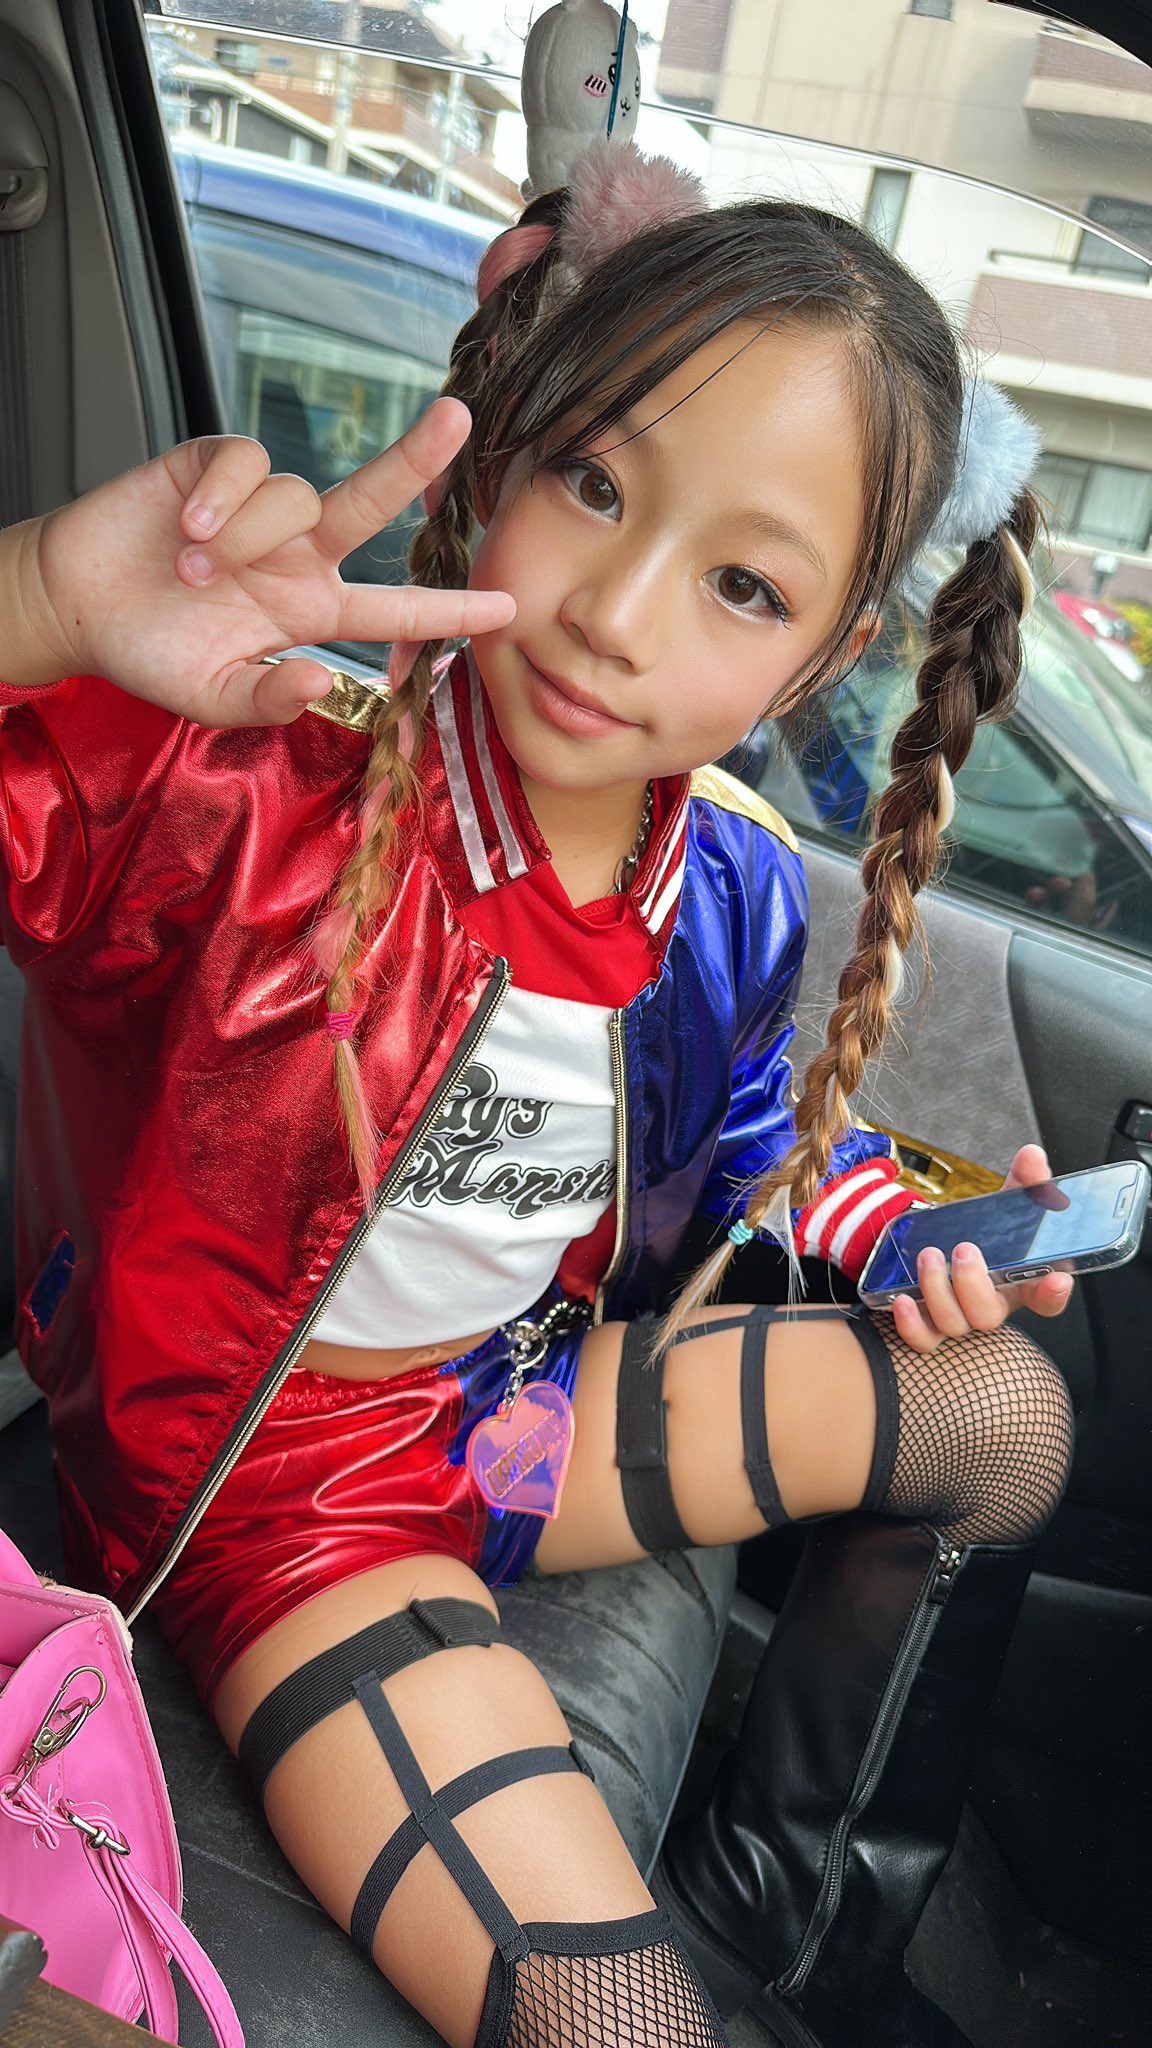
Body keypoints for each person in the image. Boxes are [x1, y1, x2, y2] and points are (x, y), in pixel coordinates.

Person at [0, 142, 1076, 2048]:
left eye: (741, 583)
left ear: (825, 656)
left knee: (1004, 1412)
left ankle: (784, 1930)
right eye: (593, 481)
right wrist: (39, 606)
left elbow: (748, 1153)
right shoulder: (244, 791)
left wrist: (907, 1235)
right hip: (271, 1496)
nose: (620, 611)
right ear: (502, 453)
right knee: (616, 2019)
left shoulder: (724, 885)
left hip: (506, 1420)